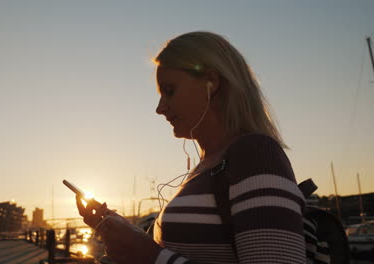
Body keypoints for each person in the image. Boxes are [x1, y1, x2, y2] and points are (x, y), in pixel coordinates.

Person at [76, 31, 305, 264]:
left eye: (170, 90)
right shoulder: (208, 167)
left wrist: (149, 256)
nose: (160, 108)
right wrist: (126, 233)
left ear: (211, 82)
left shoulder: (256, 155)